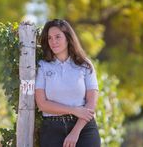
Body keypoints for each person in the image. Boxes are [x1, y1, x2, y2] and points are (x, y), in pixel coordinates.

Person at [35, 19, 101, 147]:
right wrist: (73, 110)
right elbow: (42, 104)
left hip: (83, 129)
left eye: (58, 37)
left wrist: (75, 132)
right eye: (49, 38)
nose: (53, 41)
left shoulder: (85, 65)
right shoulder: (43, 66)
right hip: (52, 131)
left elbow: (91, 103)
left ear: (68, 38)